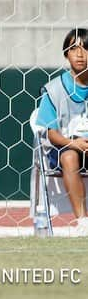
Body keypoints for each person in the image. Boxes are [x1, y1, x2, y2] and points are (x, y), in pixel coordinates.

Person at [37, 27, 88, 233]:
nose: (80, 54)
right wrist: (73, 143)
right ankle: (83, 222)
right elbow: (50, 132)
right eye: (74, 48)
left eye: (86, 48)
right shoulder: (54, 89)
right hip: (64, 148)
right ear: (66, 53)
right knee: (69, 157)